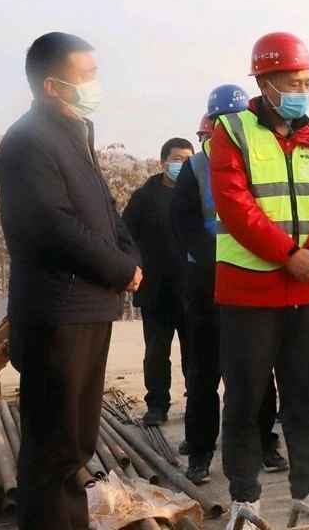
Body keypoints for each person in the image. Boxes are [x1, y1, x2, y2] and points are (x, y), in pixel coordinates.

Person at [0, 32, 142, 530]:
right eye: (87, 75)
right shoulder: (27, 142)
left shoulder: (75, 133)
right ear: (52, 86)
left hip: (89, 306)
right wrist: (120, 269)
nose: (97, 84)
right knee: (53, 449)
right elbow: (54, 227)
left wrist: (130, 257)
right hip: (57, 312)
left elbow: (107, 211)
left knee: (76, 444)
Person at [208, 32, 309, 527]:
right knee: (246, 398)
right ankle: (245, 498)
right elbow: (235, 204)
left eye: (307, 82)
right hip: (251, 289)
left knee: (305, 393)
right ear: (265, 83)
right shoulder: (231, 131)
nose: (302, 91)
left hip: (308, 286)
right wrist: (288, 255)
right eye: (293, 82)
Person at [172, 84, 288, 485]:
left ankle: (264, 442)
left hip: (253, 280)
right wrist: (218, 260)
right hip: (207, 284)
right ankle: (201, 451)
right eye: (221, 120)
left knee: (258, 369)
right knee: (203, 373)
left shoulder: (261, 159)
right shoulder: (195, 167)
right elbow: (185, 223)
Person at [123, 137, 194, 426]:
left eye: (188, 159)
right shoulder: (144, 198)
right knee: (156, 352)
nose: (182, 165)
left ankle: (196, 402)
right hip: (156, 290)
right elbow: (125, 236)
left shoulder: (198, 194)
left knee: (195, 352)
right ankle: (157, 405)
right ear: (164, 161)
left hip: (191, 290)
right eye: (177, 159)